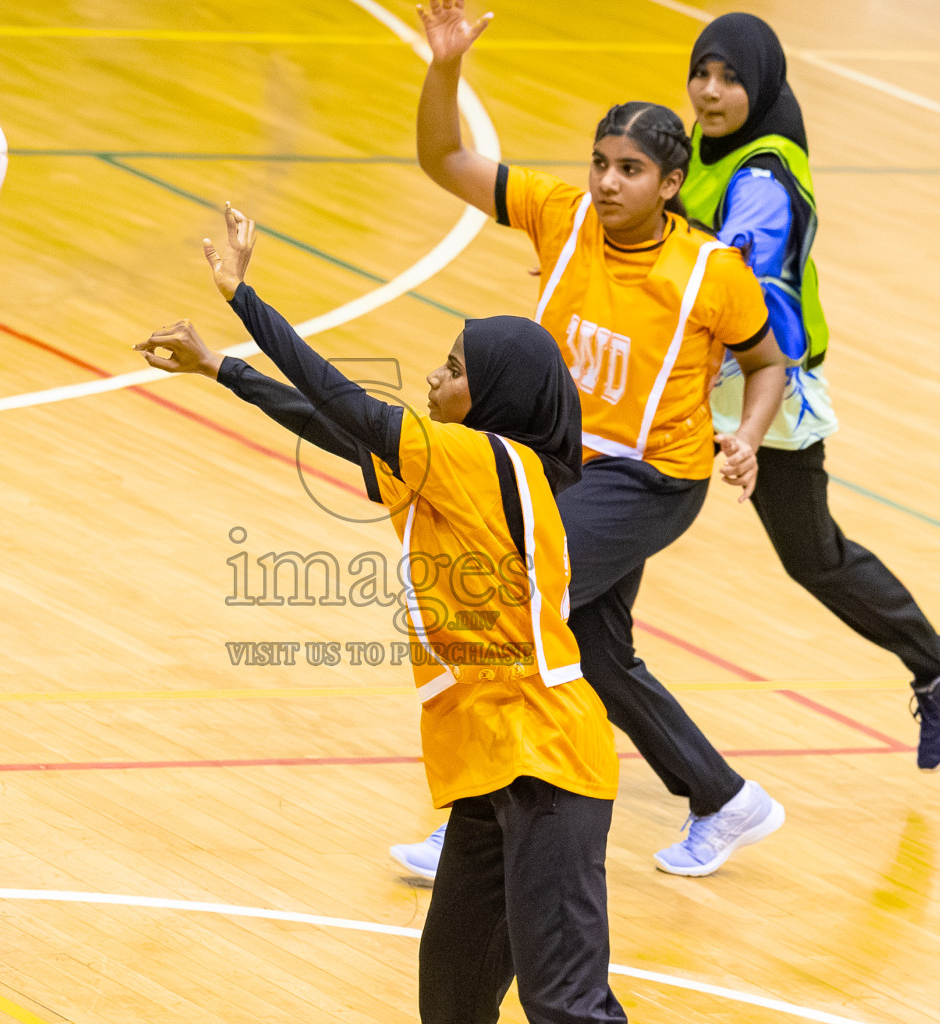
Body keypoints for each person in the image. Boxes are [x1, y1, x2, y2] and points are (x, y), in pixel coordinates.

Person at [139, 201, 627, 1024]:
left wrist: (244, 302)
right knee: (454, 1001)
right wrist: (223, 369)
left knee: (567, 1008)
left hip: (546, 764)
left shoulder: (482, 458)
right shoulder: (453, 470)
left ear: (498, 398)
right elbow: (331, 429)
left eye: (455, 369)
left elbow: (344, 402)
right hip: (490, 772)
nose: (435, 377)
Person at [391, 0, 790, 881]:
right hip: (563, 469)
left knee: (511, 604)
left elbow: (770, 363)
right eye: (601, 164)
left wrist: (749, 438)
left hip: (651, 479)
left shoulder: (710, 274)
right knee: (600, 655)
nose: (609, 183)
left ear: (670, 184)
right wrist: (445, 64)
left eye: (632, 169)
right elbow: (443, 157)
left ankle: (477, 827)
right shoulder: (559, 215)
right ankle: (725, 799)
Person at [681, 12, 940, 770]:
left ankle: (938, 664)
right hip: (689, 379)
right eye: (703, 74)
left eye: (730, 80)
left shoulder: (761, 180)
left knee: (813, 556)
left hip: (763, 385)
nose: (711, 94)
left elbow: (721, 273)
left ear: (762, 85)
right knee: (619, 513)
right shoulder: (701, 147)